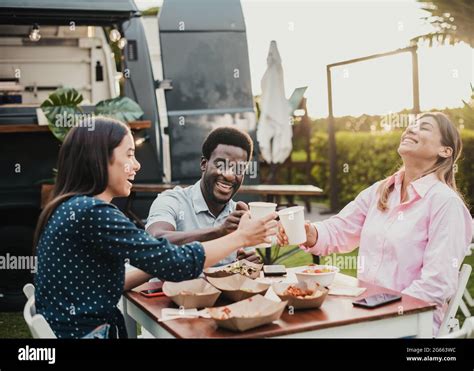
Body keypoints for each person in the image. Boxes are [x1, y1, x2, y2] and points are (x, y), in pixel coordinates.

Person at [34, 118, 277, 338]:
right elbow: (178, 262)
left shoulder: (72, 207)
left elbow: (109, 283)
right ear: (99, 158)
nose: (137, 165)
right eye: (129, 155)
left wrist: (154, 265)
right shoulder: (93, 213)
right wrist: (239, 238)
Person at [277, 112, 472, 335]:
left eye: (424, 127)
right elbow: (340, 230)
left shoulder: (446, 204)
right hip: (367, 313)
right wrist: (309, 232)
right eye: (410, 125)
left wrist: (384, 311)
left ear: (445, 151)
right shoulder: (382, 191)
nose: (410, 129)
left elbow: (437, 283)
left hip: (410, 325)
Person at [146, 126, 260, 266]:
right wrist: (218, 232)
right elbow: (154, 241)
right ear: (204, 164)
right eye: (220, 165)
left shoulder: (240, 215)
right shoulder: (172, 200)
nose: (229, 175)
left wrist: (245, 264)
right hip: (168, 288)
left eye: (239, 169)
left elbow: (251, 261)